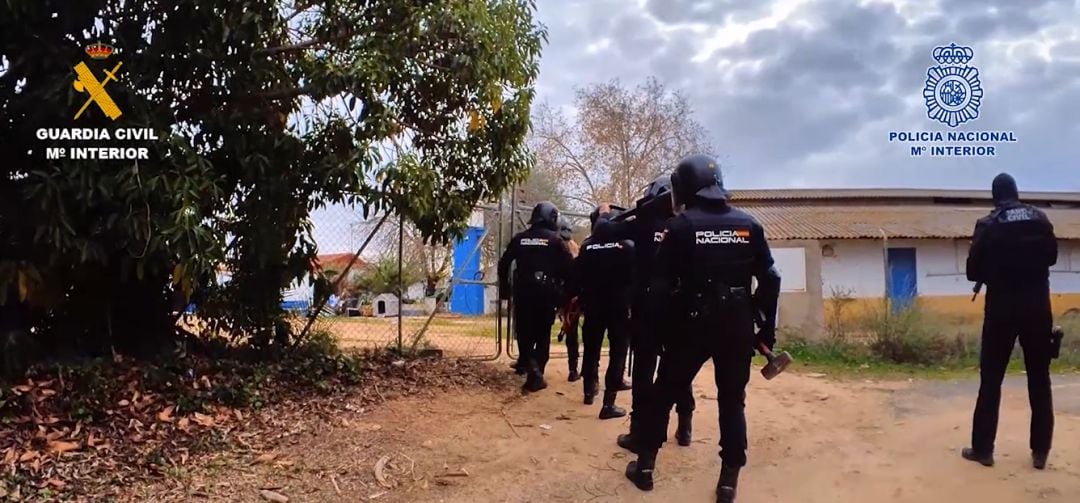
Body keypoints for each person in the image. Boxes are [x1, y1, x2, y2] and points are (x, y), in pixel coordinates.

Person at [625, 154, 780, 503]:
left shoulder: (679, 228)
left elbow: (661, 288)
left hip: (689, 325)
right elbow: (770, 278)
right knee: (732, 401)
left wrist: (660, 332)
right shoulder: (749, 225)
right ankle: (728, 482)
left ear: (683, 189)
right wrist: (763, 327)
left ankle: (646, 467)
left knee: (663, 393)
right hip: (738, 325)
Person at [963, 172, 1058, 469]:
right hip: (1037, 310)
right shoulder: (1040, 219)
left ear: (995, 196)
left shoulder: (988, 224)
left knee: (991, 381)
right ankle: (1040, 453)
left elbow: (971, 271)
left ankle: (983, 450)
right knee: (1039, 381)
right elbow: (1052, 257)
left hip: (1001, 311)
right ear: (1016, 192)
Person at [614, 173, 696, 454]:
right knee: (677, 370)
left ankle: (639, 432)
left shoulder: (642, 223)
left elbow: (605, 231)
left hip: (646, 308)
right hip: (677, 309)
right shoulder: (684, 225)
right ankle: (685, 426)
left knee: (643, 371)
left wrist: (608, 215)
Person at [498, 201, 575, 393]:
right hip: (546, 294)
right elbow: (569, 270)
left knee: (523, 335)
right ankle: (537, 372)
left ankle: (533, 371)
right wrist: (566, 293)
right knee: (542, 335)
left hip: (523, 293)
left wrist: (505, 290)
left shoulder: (520, 239)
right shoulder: (556, 241)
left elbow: (503, 263)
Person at [570, 206, 635, 418]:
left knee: (591, 350)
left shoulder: (587, 247)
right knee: (618, 352)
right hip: (619, 307)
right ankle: (609, 403)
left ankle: (589, 391)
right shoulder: (627, 246)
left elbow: (577, 276)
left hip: (593, 306)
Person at [557, 217, 583, 382]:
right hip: (571, 296)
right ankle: (573, 369)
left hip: (564, 295)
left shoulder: (559, 246)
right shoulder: (574, 248)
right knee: (571, 331)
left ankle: (573, 369)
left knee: (570, 330)